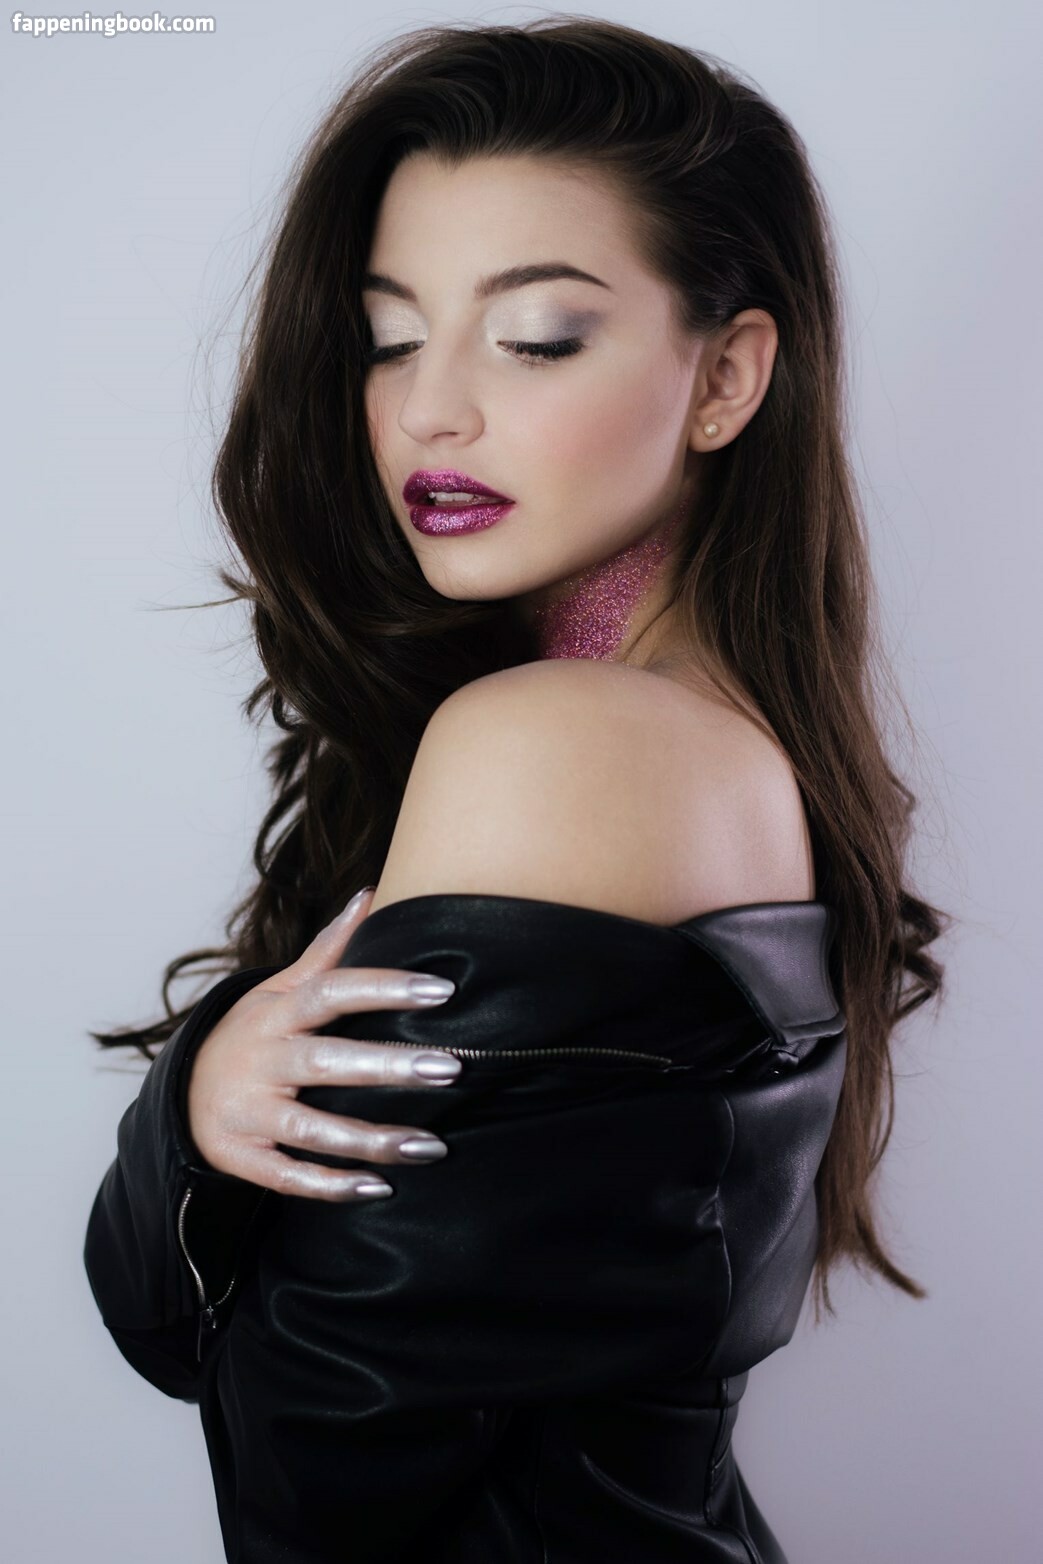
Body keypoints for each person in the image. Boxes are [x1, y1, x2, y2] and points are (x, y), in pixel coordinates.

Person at [83, 17, 949, 1562]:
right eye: (389, 336)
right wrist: (209, 1105)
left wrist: (192, 1145)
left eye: (536, 337)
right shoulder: (693, 735)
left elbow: (313, 1453)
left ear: (726, 376)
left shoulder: (566, 739)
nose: (430, 409)